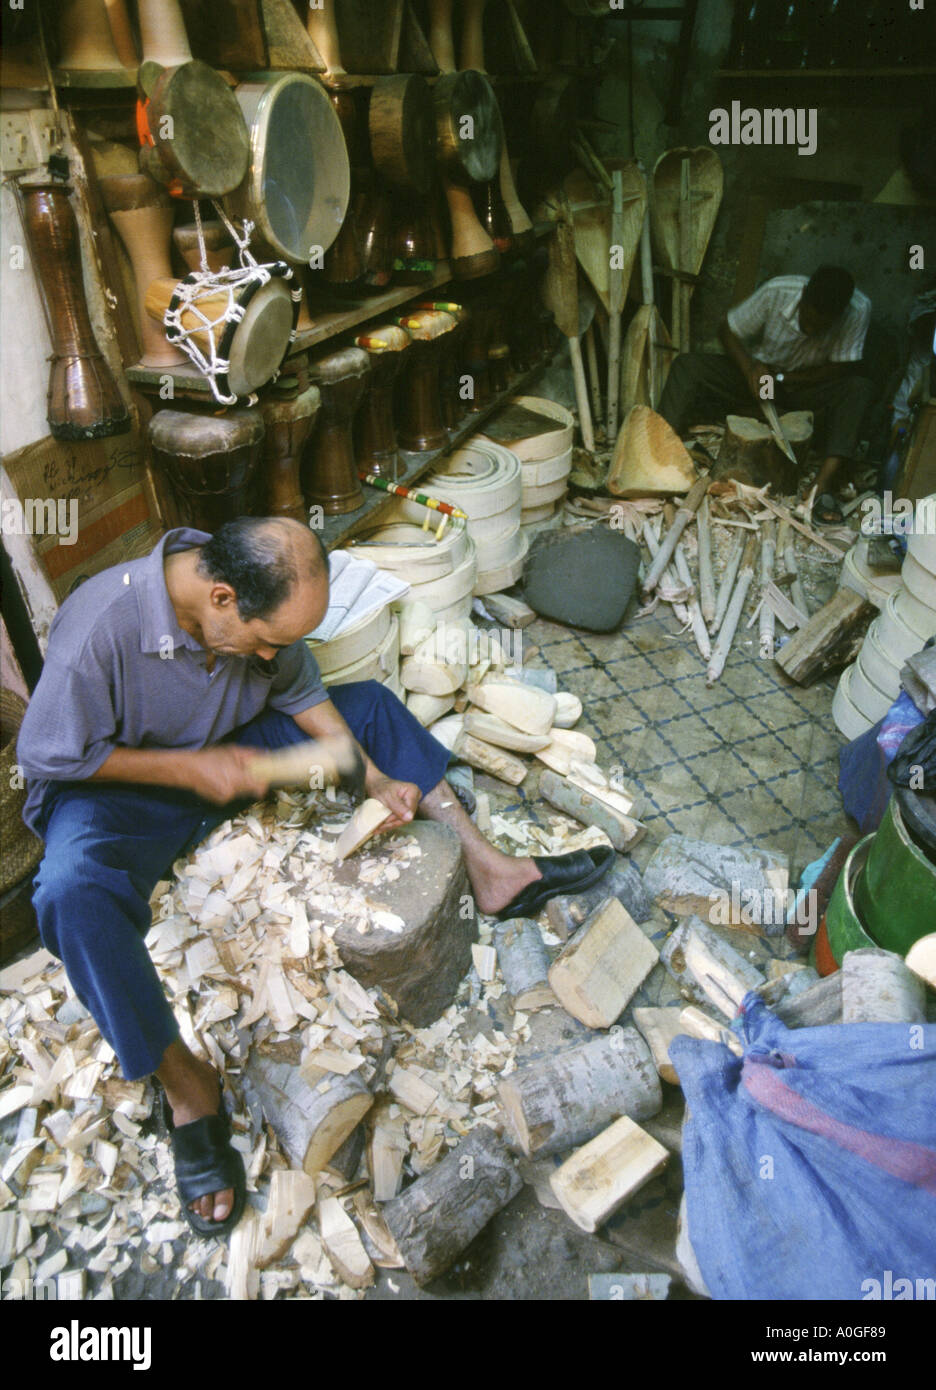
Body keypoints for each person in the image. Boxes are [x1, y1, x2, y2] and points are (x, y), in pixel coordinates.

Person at [16, 518, 612, 1238]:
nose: (274, 655)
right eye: (267, 641)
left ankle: (494, 872)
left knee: (370, 710)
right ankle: (187, 1090)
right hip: (122, 790)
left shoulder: (260, 620)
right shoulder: (100, 625)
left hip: (225, 755)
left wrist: (375, 776)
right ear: (223, 596)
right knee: (68, 892)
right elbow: (50, 758)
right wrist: (185, 769)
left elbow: (313, 707)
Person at [658, 265, 875, 524]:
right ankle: (659, 450)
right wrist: (751, 368)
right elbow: (727, 330)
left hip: (802, 386)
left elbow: (843, 368)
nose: (811, 329)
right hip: (756, 378)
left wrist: (784, 378)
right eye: (807, 320)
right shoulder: (778, 291)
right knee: (688, 365)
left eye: (820, 327)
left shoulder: (858, 310)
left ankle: (821, 486)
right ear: (804, 294)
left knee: (859, 388)